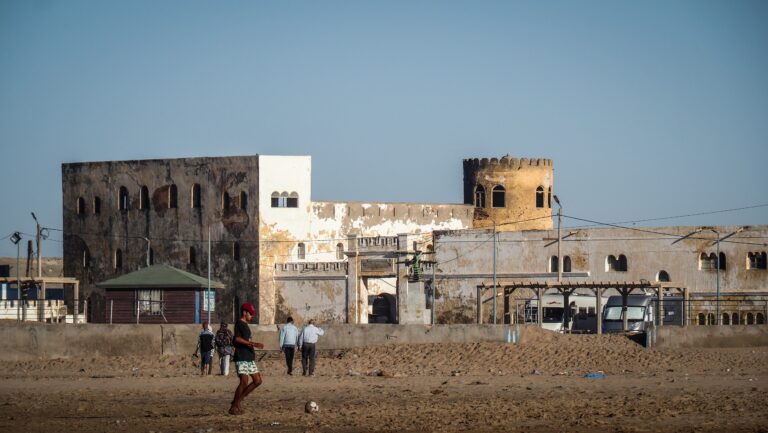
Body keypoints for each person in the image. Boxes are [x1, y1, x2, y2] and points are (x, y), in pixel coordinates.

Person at [229, 302, 264, 415]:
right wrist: (253, 344)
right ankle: (234, 407)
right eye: (250, 314)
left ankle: (237, 401)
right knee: (244, 382)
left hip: (249, 356)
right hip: (241, 356)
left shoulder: (246, 324)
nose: (252, 316)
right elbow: (237, 339)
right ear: (244, 312)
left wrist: (252, 345)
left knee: (258, 381)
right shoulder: (239, 323)